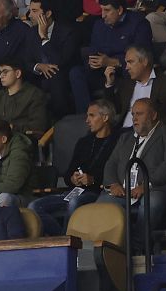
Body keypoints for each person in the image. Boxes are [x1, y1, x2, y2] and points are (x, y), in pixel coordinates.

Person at [100, 98, 166, 249]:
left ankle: (138, 246)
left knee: (152, 202)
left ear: (153, 115)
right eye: (133, 114)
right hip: (125, 191)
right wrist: (113, 184)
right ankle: (116, 247)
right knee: (102, 203)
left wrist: (146, 185)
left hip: (156, 188)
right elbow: (111, 163)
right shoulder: (125, 138)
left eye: (139, 114)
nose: (134, 118)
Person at [29, 100, 119, 235]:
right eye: (87, 116)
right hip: (75, 191)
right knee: (34, 206)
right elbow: (68, 173)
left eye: (92, 116)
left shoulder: (117, 141)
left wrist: (93, 180)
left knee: (74, 203)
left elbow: (115, 172)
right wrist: (72, 178)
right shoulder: (84, 142)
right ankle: (61, 239)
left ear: (105, 117)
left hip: (98, 193)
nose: (87, 120)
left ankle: (68, 244)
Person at [69, 0, 152, 114]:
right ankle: (86, 115)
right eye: (102, 10)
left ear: (119, 10)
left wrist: (113, 61)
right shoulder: (99, 25)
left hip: (125, 72)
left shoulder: (139, 24)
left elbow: (143, 58)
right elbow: (95, 49)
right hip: (102, 71)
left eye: (107, 10)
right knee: (76, 72)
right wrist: (94, 61)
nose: (103, 15)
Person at [104, 45, 166, 128]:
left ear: (144, 61)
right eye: (126, 63)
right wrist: (110, 84)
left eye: (130, 62)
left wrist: (156, 129)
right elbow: (115, 109)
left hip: (152, 134)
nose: (126, 67)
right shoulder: (127, 83)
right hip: (124, 133)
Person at [28, 0, 79, 118]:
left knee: (55, 73)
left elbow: (60, 61)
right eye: (30, 11)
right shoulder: (30, 32)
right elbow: (25, 60)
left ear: (48, 13)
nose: (29, 15)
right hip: (37, 77)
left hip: (61, 76)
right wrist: (38, 66)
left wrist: (44, 38)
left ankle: (61, 121)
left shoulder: (68, 32)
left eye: (34, 11)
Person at [0, 59, 49, 138]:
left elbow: (37, 128)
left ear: (18, 73)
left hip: (21, 140)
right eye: (0, 72)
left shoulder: (34, 95)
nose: (1, 76)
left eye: (5, 72)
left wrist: (12, 128)